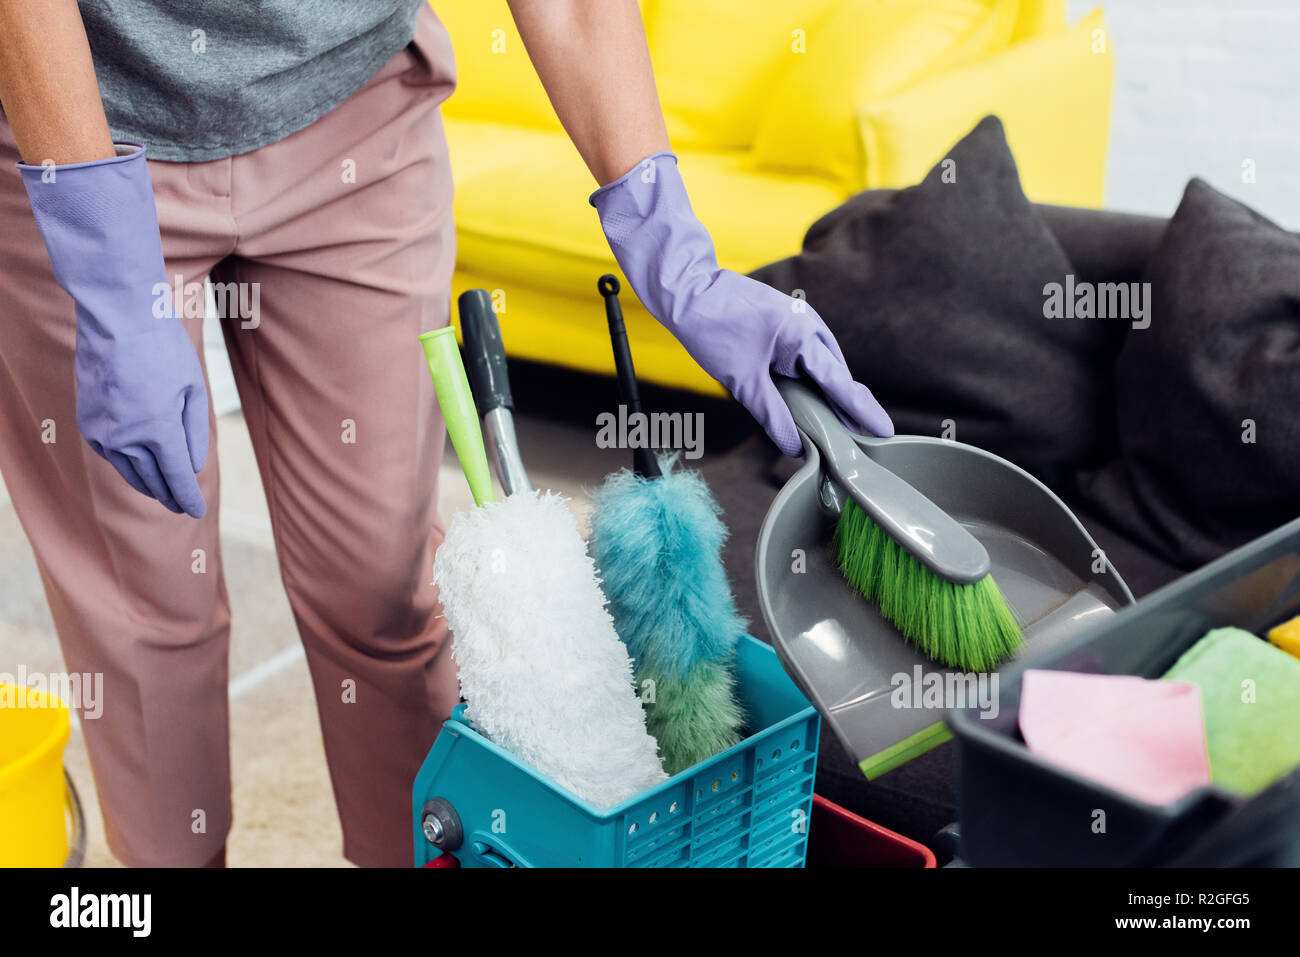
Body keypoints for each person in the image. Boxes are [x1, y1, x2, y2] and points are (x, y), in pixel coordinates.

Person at [0, 0, 890, 867]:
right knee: (143, 609)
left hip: (355, 119)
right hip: (80, 139)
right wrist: (111, 284)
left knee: (383, 588)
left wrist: (678, 258)